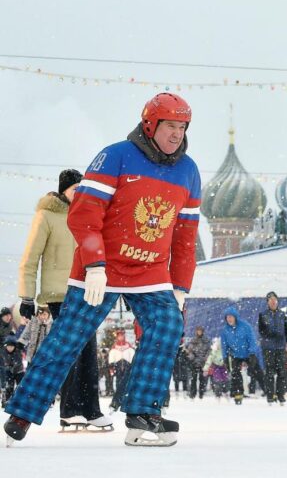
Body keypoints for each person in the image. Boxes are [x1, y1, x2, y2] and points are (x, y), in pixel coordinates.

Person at [3, 93, 201, 447]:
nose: (176, 134)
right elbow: (84, 213)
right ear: (149, 125)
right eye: (170, 125)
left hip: (150, 271)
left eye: (182, 127)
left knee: (168, 325)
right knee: (68, 339)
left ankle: (143, 415)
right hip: (102, 268)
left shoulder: (189, 171)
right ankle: (22, 413)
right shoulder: (116, 156)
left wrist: (181, 286)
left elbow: (185, 236)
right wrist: (94, 264)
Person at [17, 169, 112, 431]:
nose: (79, 194)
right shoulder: (47, 216)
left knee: (89, 352)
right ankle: (70, 411)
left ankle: (91, 409)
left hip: (85, 291)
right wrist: (27, 295)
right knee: (70, 351)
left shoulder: (88, 217)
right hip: (59, 294)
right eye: (74, 189)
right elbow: (30, 258)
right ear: (63, 190)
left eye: (82, 189)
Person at [258, 291, 287, 405]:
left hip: (280, 347)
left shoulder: (282, 315)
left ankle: (280, 395)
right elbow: (261, 331)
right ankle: (270, 395)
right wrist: (271, 333)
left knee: (281, 372)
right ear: (267, 302)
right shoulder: (263, 315)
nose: (273, 302)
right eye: (271, 300)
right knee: (269, 373)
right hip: (268, 347)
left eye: (275, 300)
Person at [220, 306, 261, 405]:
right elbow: (224, 345)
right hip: (236, 355)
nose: (229, 319)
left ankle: (269, 392)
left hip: (248, 353)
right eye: (227, 317)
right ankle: (238, 394)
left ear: (235, 317)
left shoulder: (245, 326)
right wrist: (225, 357)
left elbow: (252, 340)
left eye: (231, 316)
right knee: (235, 374)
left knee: (257, 372)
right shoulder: (225, 330)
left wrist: (252, 353)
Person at [108, 329, 136, 413]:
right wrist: (111, 365)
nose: (120, 337)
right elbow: (112, 355)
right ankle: (119, 398)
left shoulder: (128, 346)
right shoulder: (114, 347)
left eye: (122, 335)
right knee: (119, 382)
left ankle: (125, 398)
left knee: (126, 382)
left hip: (127, 365)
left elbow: (132, 354)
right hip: (118, 365)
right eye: (119, 335)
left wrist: (132, 362)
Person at [185, 326, 211, 399]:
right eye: (198, 331)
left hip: (203, 362)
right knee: (193, 378)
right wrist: (192, 357)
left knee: (202, 379)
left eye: (200, 331)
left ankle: (201, 393)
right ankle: (193, 393)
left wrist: (205, 358)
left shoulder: (206, 340)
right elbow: (190, 350)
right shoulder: (193, 340)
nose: (199, 332)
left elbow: (209, 350)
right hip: (194, 362)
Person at [1, 336, 24, 408]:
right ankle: (7, 401)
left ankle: (20, 401)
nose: (10, 348)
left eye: (11, 346)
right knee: (9, 387)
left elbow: (22, 342)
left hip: (19, 371)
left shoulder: (18, 350)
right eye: (8, 346)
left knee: (20, 387)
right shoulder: (2, 352)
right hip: (8, 371)